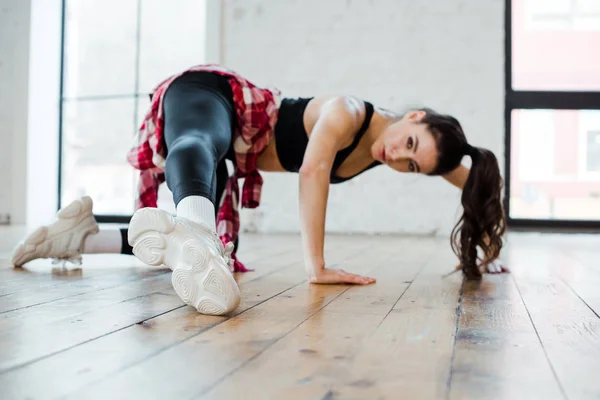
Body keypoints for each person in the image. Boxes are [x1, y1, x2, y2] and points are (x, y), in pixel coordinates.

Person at [11, 64, 507, 316]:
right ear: (414, 117)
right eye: (410, 143)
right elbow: (314, 170)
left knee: (204, 247)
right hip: (213, 95)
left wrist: (489, 245)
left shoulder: (395, 151)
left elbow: (473, 186)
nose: (398, 157)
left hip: (231, 153)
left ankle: (78, 237)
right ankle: (196, 232)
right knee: (198, 141)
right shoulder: (349, 112)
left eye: (413, 166)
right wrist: (317, 266)